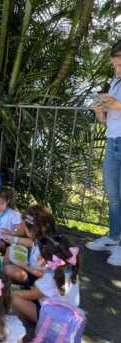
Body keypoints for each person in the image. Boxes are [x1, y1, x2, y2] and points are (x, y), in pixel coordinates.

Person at [89, 40, 121, 266]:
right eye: (115, 66)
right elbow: (107, 119)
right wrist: (99, 111)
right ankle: (114, 238)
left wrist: (116, 104)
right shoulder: (115, 81)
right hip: (113, 141)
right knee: (113, 196)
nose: (117, 70)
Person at [12, 235, 80, 323]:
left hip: (53, 320)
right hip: (66, 313)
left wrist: (9, 292)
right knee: (32, 289)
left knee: (14, 297)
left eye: (41, 254)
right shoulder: (69, 267)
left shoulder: (51, 276)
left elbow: (31, 295)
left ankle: (38, 323)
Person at [4, 205, 56, 288]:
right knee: (9, 250)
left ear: (32, 230)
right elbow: (31, 243)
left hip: (36, 279)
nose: (24, 230)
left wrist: (23, 266)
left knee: (8, 269)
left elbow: (41, 274)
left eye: (25, 228)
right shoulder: (42, 238)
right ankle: (3, 276)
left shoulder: (44, 251)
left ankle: (7, 282)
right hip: (30, 267)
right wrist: (14, 239)